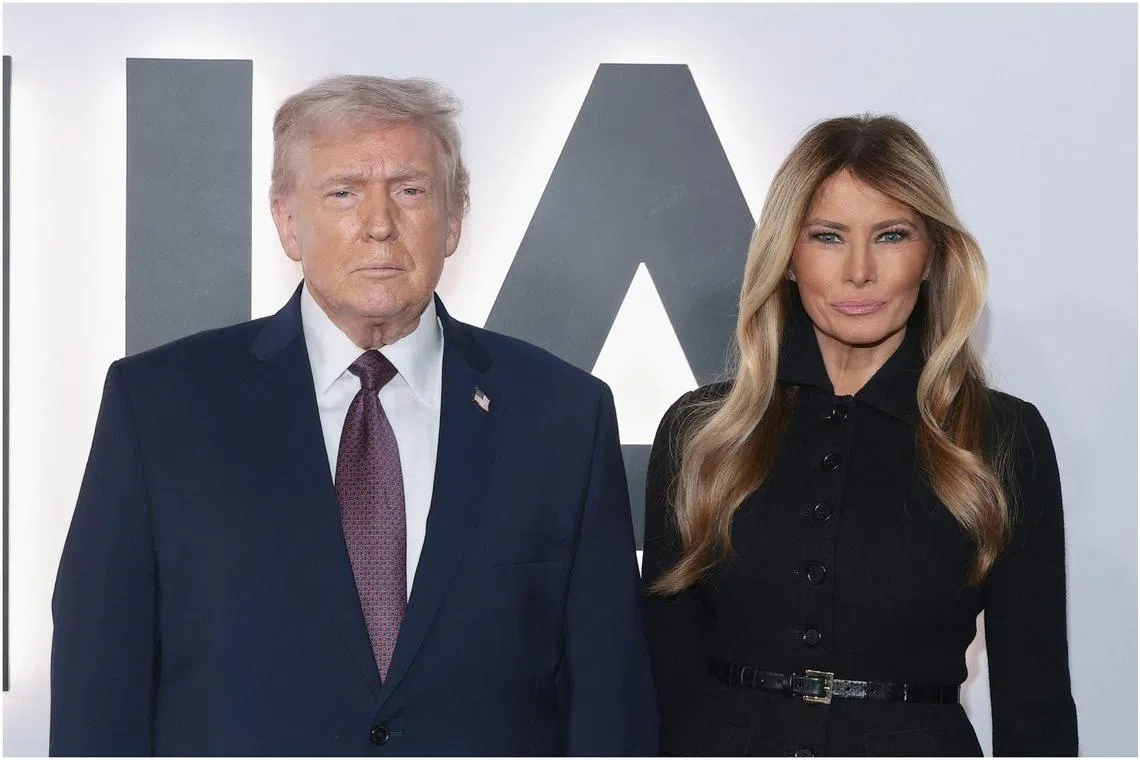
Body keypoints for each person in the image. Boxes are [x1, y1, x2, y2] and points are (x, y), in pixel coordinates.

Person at [50, 74, 657, 756]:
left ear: (454, 220)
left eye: (410, 190)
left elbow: (609, 697)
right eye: (343, 192)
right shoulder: (159, 406)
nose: (378, 224)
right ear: (286, 221)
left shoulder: (563, 415)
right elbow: (99, 683)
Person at [642, 115, 1077, 757]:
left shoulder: (1001, 438)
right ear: (788, 257)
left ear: (931, 256)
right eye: (827, 237)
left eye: (891, 235)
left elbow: (1033, 701)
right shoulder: (703, 433)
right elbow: (662, 676)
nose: (859, 271)